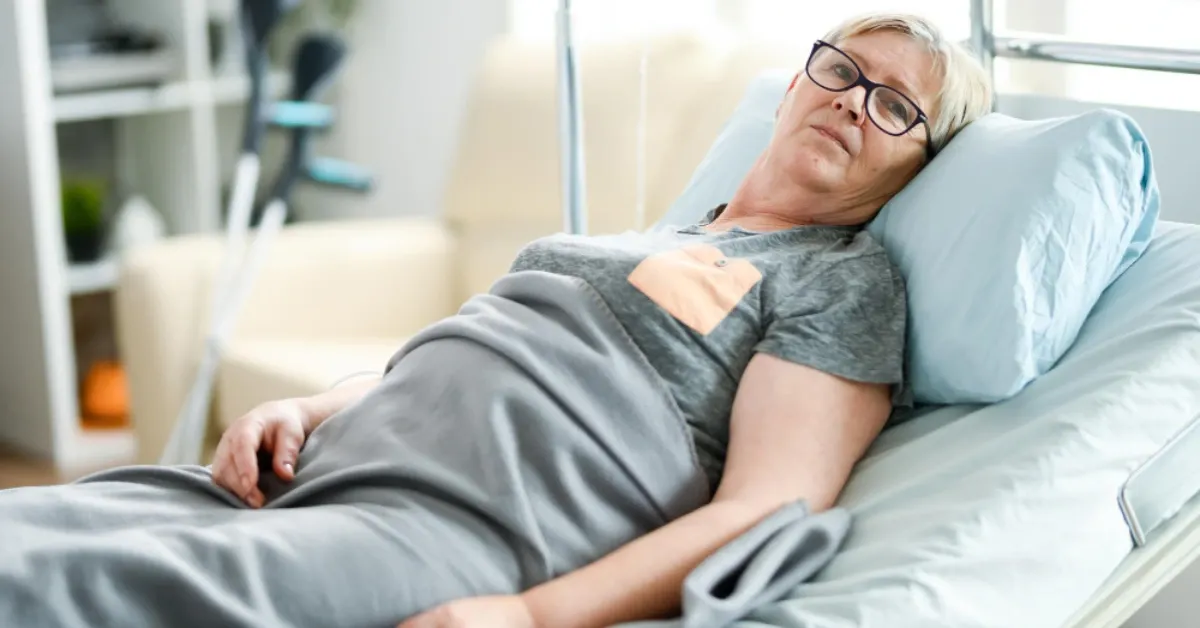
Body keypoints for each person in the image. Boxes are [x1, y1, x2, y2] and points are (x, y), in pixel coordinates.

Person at [0, 12, 992, 628]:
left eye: (899, 107)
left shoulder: (842, 279)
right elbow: (451, 363)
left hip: (443, 524)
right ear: (792, 88)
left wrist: (530, 612)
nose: (857, 104)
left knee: (68, 587)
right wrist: (312, 404)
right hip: (323, 473)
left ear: (918, 162)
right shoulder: (644, 237)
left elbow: (768, 507)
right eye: (844, 71)